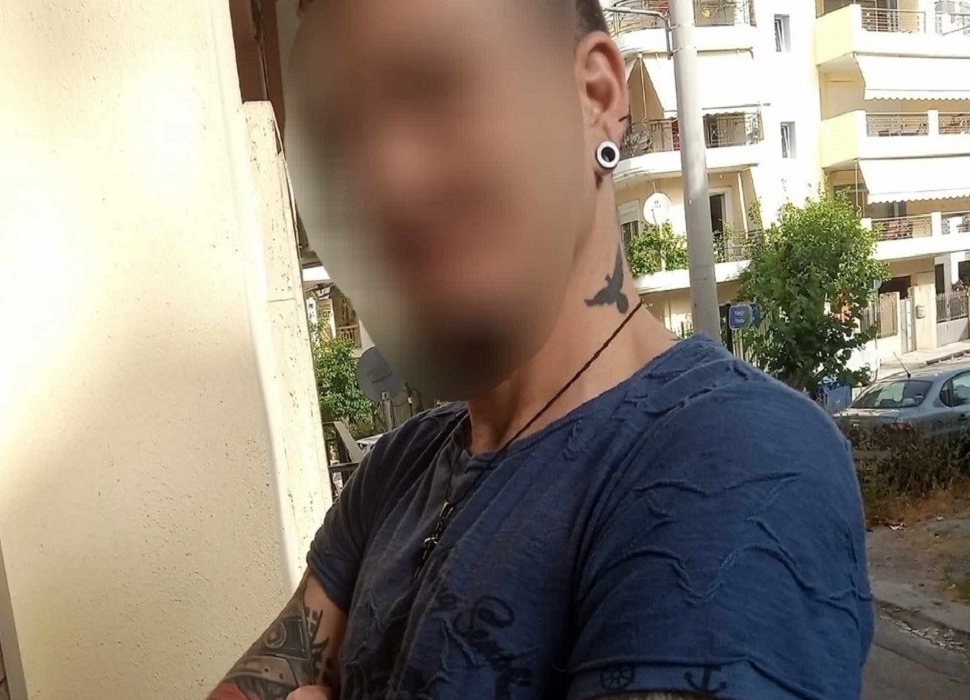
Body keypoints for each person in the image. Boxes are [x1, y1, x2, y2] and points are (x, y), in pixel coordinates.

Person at [208, 1, 874, 698]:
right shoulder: (398, 470)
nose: (386, 182)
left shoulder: (736, 458)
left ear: (596, 98)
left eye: (435, 87)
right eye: (339, 138)